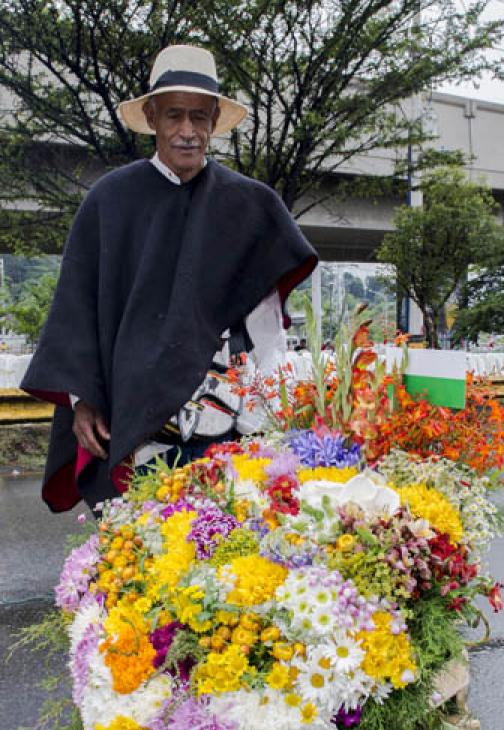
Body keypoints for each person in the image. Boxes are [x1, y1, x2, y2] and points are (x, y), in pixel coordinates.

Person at [21, 45, 317, 512]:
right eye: (175, 115)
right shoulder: (109, 200)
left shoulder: (251, 206)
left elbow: (266, 328)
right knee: (145, 559)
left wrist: (278, 412)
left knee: (228, 555)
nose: (187, 131)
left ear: (215, 121)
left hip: (232, 421)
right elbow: (78, 310)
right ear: (153, 117)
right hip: (135, 419)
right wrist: (81, 399)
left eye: (200, 117)